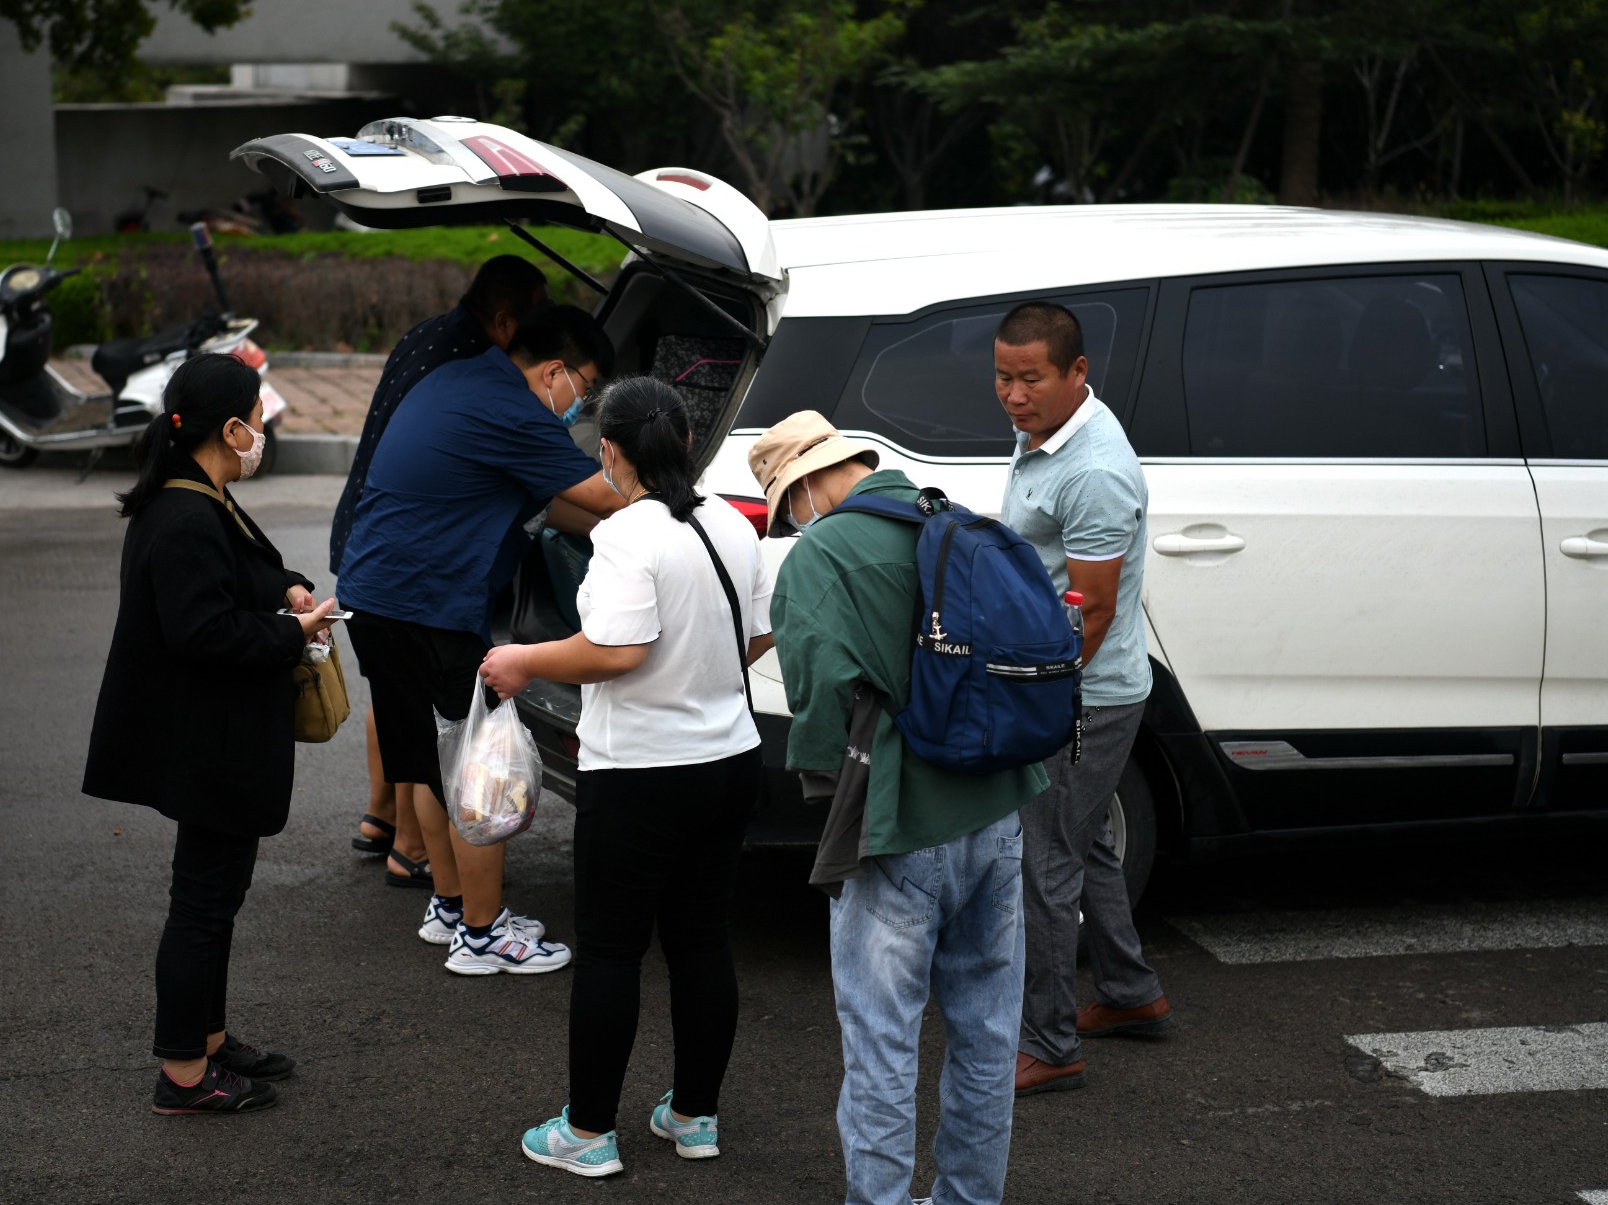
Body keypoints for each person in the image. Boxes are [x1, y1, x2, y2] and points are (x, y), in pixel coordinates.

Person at [750, 410, 1049, 1205]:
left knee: (884, 1043)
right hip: (999, 810)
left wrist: (829, 786)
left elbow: (817, 700)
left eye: (789, 508)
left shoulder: (824, 552)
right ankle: (967, 1198)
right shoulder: (947, 518)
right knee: (986, 1036)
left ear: (810, 483)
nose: (794, 524)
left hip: (901, 821)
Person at [478, 377, 774, 1177]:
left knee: (611, 950)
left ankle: (589, 1132)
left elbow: (615, 652)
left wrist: (521, 659)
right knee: (701, 940)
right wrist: (699, 676)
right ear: (685, 443)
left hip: (641, 773)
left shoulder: (624, 534)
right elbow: (756, 636)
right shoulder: (731, 525)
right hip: (729, 761)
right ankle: (693, 1116)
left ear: (610, 450)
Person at [83, 354, 341, 1115]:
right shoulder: (186, 514)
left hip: (213, 738)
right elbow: (204, 632)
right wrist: (290, 633)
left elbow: (241, 573)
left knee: (215, 898)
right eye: (259, 419)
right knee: (200, 903)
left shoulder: (198, 495)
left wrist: (285, 586)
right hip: (206, 743)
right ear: (230, 429)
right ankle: (183, 1073)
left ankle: (210, 1038)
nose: (265, 431)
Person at [338, 304, 627, 974]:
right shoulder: (516, 410)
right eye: (584, 389)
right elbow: (609, 497)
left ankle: (449, 907)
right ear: (556, 371)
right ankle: (485, 935)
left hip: (374, 597)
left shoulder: (457, 381)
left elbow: (541, 500)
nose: (580, 406)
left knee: (433, 764)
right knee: (479, 768)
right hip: (429, 608)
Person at [993, 301, 1171, 1098]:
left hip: (1083, 695)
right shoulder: (1045, 433)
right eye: (1002, 376)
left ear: (1076, 373)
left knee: (1046, 860)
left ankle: (1051, 1042)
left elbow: (1090, 610)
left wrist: (1045, 703)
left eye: (1030, 378)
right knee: (1086, 837)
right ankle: (1131, 993)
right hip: (1075, 686)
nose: (1013, 394)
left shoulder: (1093, 470)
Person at [333, 256, 552, 889]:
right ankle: (441, 878)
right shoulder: (473, 369)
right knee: (456, 740)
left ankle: (395, 833)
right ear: (506, 320)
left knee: (403, 708)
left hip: (370, 542)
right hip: (414, 563)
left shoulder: (426, 336)